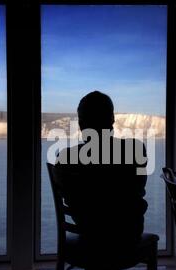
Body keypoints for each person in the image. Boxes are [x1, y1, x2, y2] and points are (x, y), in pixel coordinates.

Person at [55, 91, 148, 248]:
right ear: (112, 119)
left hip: (88, 235)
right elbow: (139, 189)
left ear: (81, 124)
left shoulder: (64, 157)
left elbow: (65, 194)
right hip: (126, 235)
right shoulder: (136, 149)